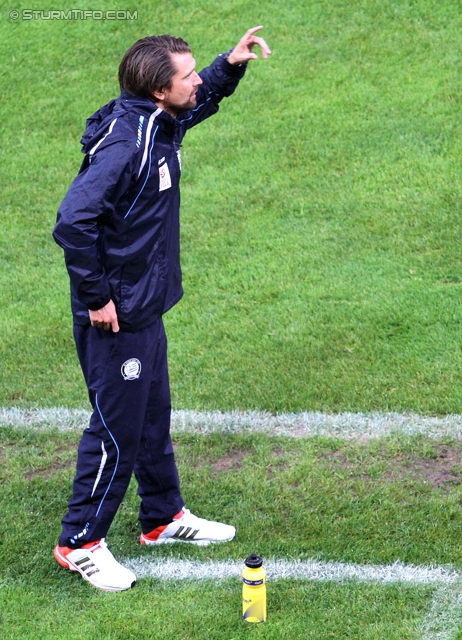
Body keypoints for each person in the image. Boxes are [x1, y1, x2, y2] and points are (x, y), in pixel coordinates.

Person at [52, 27, 271, 592]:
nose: (197, 80)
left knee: (150, 415)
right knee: (116, 429)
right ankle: (79, 542)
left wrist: (230, 66)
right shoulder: (129, 144)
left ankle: (162, 517)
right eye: (189, 75)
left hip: (141, 304)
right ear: (157, 91)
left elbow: (191, 111)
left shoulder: (156, 123)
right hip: (116, 312)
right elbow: (72, 222)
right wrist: (97, 297)